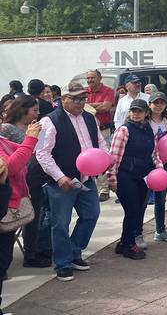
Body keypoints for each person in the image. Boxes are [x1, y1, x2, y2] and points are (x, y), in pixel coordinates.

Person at [37, 82, 108, 281]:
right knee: (60, 223)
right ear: (63, 99)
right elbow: (41, 152)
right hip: (61, 182)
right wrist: (59, 176)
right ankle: (62, 263)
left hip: (86, 179)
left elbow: (100, 142)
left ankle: (75, 251)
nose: (79, 103)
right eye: (75, 99)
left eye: (83, 99)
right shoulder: (47, 121)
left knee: (91, 215)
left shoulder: (89, 117)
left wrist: (105, 159)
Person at [108, 99, 164, 260]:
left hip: (143, 176)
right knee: (132, 210)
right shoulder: (124, 130)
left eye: (139, 111)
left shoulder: (149, 129)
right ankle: (128, 245)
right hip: (125, 175)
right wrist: (112, 178)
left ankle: (123, 242)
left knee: (138, 210)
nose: (135, 114)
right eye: (133, 111)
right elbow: (114, 156)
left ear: (146, 113)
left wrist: (159, 169)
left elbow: (155, 154)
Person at [1, 96, 50, 268]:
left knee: (30, 217)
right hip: (13, 181)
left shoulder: (33, 127)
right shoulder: (7, 129)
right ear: (22, 109)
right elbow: (11, 163)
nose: (37, 113)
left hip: (32, 178)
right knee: (10, 220)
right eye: (34, 110)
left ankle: (31, 252)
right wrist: (30, 139)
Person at [0, 120, 41, 307]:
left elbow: (24, 152)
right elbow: (12, 166)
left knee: (4, 259)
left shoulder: (2, 140)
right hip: (4, 206)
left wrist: (32, 139)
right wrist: (31, 138)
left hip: (7, 205)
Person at [146, 92, 167, 243]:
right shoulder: (144, 121)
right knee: (143, 199)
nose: (158, 105)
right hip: (146, 164)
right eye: (155, 102)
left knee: (161, 199)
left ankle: (160, 230)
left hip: (163, 164)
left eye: (162, 102)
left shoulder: (166, 120)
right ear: (149, 104)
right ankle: (136, 233)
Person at [85, 69, 115, 202]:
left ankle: (104, 189)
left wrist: (88, 107)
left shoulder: (108, 91)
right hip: (87, 130)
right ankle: (92, 187)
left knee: (103, 157)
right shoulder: (84, 92)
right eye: (88, 78)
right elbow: (81, 107)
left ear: (100, 78)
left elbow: (106, 107)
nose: (90, 80)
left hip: (103, 130)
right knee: (89, 158)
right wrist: (97, 105)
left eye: (93, 77)